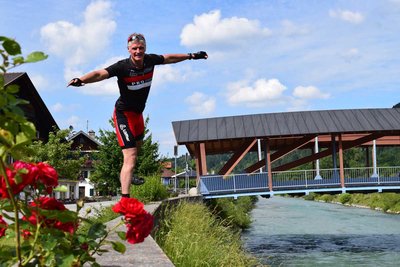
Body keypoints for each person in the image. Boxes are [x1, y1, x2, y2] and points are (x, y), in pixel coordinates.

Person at [68, 33, 207, 198]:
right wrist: (81, 80)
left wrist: (191, 56)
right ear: (128, 49)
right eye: (134, 48)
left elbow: (169, 58)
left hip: (138, 115)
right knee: (130, 154)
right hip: (123, 115)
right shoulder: (122, 67)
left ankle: (131, 173)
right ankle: (125, 199)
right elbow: (100, 74)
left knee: (138, 148)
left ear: (145, 48)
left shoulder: (150, 60)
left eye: (141, 48)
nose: (138, 51)